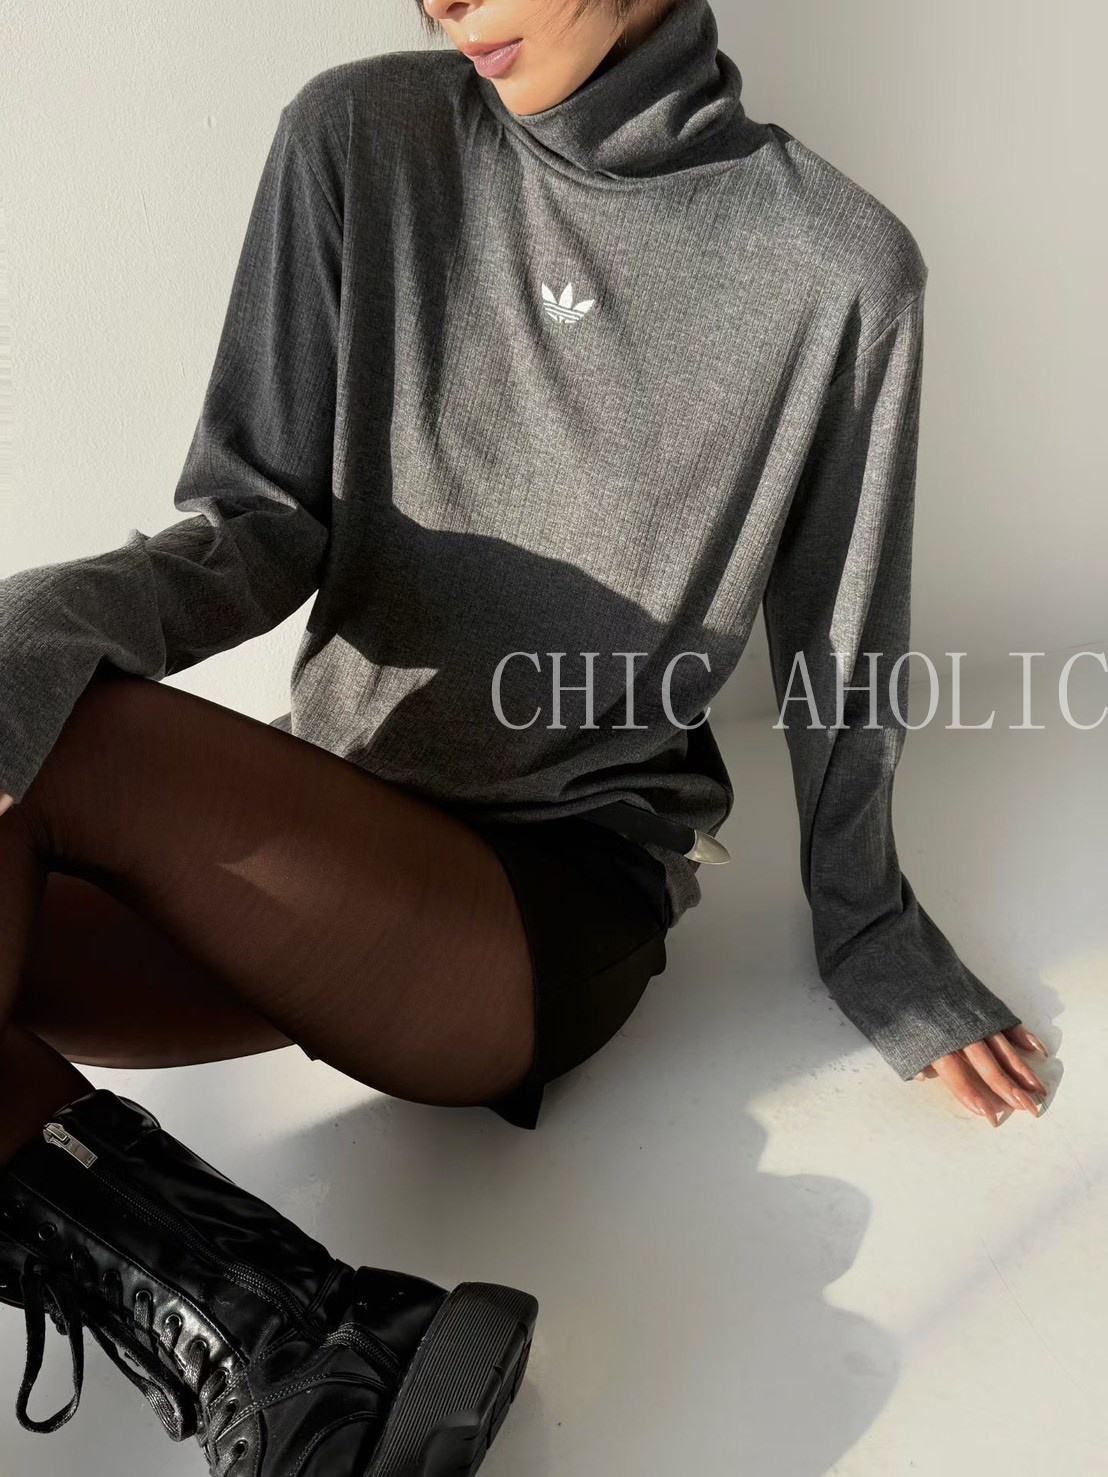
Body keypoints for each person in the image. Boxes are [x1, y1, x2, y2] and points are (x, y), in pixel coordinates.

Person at [0, 0, 1050, 1469]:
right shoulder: (360, 137)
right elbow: (256, 524)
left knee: (74, 743)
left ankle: (307, 1345)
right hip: (330, 849)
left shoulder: (836, 264)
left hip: (545, 893)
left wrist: (869, 926)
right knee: (28, 722)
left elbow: (841, 641)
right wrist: (24, 636)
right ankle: (292, 1336)